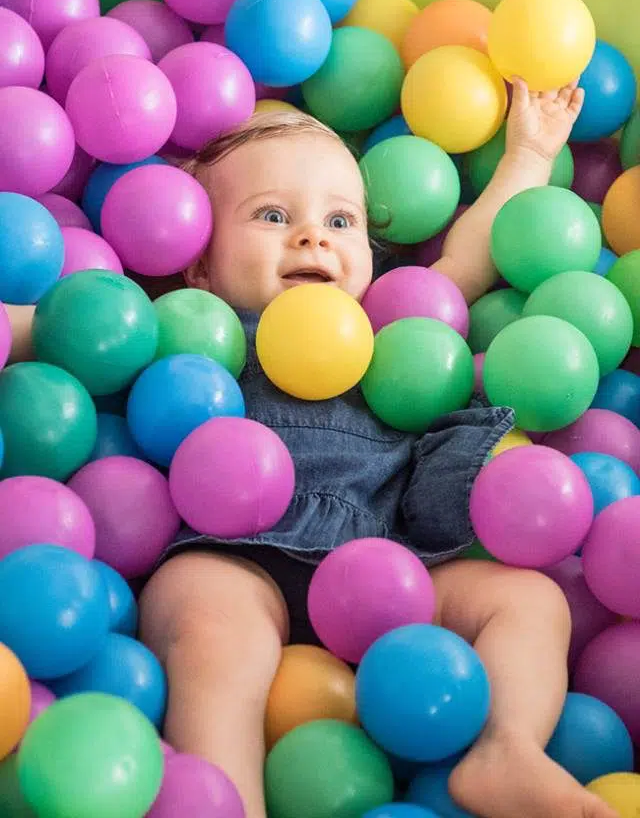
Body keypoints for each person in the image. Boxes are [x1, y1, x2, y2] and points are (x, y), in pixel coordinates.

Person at [5, 79, 615, 818]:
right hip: (239, 551)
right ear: (199, 263)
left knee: (529, 600)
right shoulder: (197, 328)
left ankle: (503, 747)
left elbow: (472, 257)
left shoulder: (394, 330)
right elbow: (71, 326)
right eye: (271, 216)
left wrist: (527, 154)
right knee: (206, 623)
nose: (312, 237)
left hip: (389, 563)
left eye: (340, 220)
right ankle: (226, 796)